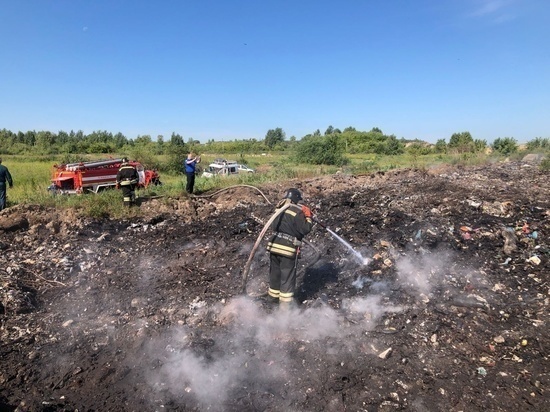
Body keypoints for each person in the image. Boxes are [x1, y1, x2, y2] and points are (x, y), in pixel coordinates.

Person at [266, 188, 314, 309]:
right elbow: (305, 229)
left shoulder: (278, 210)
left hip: (274, 247)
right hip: (287, 250)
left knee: (275, 275)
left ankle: (272, 302)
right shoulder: (296, 212)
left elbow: (273, 226)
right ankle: (285, 308)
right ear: (296, 199)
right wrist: (308, 216)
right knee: (287, 278)